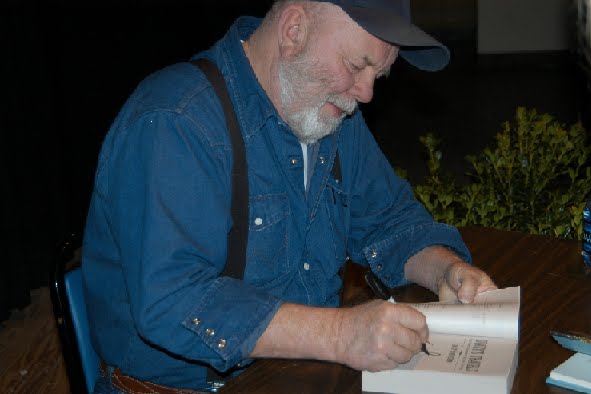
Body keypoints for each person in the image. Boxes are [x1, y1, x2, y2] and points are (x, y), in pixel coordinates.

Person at [82, 0, 497, 392]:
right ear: (294, 30)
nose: (367, 93)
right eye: (357, 65)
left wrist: (446, 270)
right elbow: (174, 300)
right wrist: (340, 334)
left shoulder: (329, 113)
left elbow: (388, 219)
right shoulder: (176, 122)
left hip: (297, 375)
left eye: (379, 75)